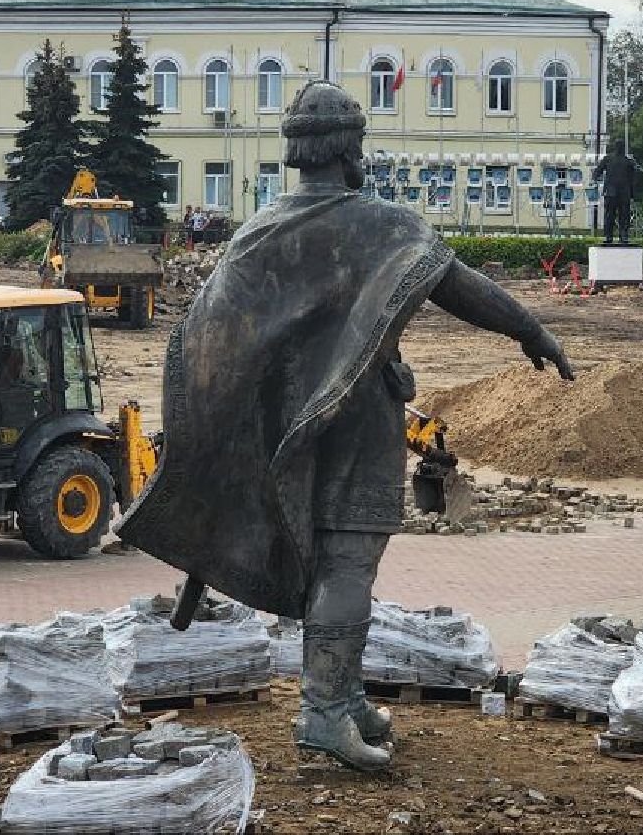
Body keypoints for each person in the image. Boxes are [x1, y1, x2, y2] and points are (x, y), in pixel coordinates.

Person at [116, 81, 572, 772]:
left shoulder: (257, 230)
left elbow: (205, 340)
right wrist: (531, 329)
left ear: (294, 153)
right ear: (352, 149)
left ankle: (343, 692)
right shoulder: (379, 224)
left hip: (291, 425)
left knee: (334, 558)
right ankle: (324, 711)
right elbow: (458, 286)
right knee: (349, 558)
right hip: (356, 420)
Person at [592, 151, 641, 244]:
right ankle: (610, 236)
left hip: (621, 192)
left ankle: (622, 236)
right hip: (613, 192)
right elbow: (598, 171)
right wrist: (595, 179)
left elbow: (637, 171)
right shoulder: (610, 159)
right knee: (611, 215)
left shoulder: (628, 160)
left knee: (623, 215)